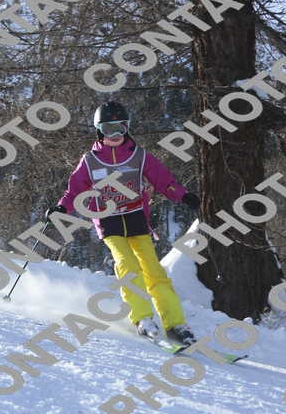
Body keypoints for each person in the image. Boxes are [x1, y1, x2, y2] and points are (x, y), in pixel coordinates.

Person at [47, 101, 200, 346]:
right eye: (109, 129)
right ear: (99, 130)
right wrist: (61, 207)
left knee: (154, 270)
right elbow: (74, 191)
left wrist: (183, 195)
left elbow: (164, 181)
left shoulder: (139, 156)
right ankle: (142, 318)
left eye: (120, 127)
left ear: (127, 127)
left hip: (136, 216)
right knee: (127, 265)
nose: (115, 134)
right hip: (108, 220)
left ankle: (175, 324)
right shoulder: (90, 161)